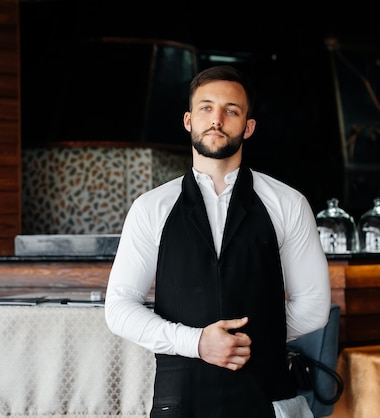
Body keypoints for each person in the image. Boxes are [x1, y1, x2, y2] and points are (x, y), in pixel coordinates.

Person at [104, 64, 331, 418]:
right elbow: (118, 308)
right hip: (180, 401)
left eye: (232, 110)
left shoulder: (288, 204)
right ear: (188, 120)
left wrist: (248, 340)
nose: (217, 119)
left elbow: (314, 305)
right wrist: (196, 343)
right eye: (206, 108)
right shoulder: (151, 208)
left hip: (266, 397)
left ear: (248, 126)